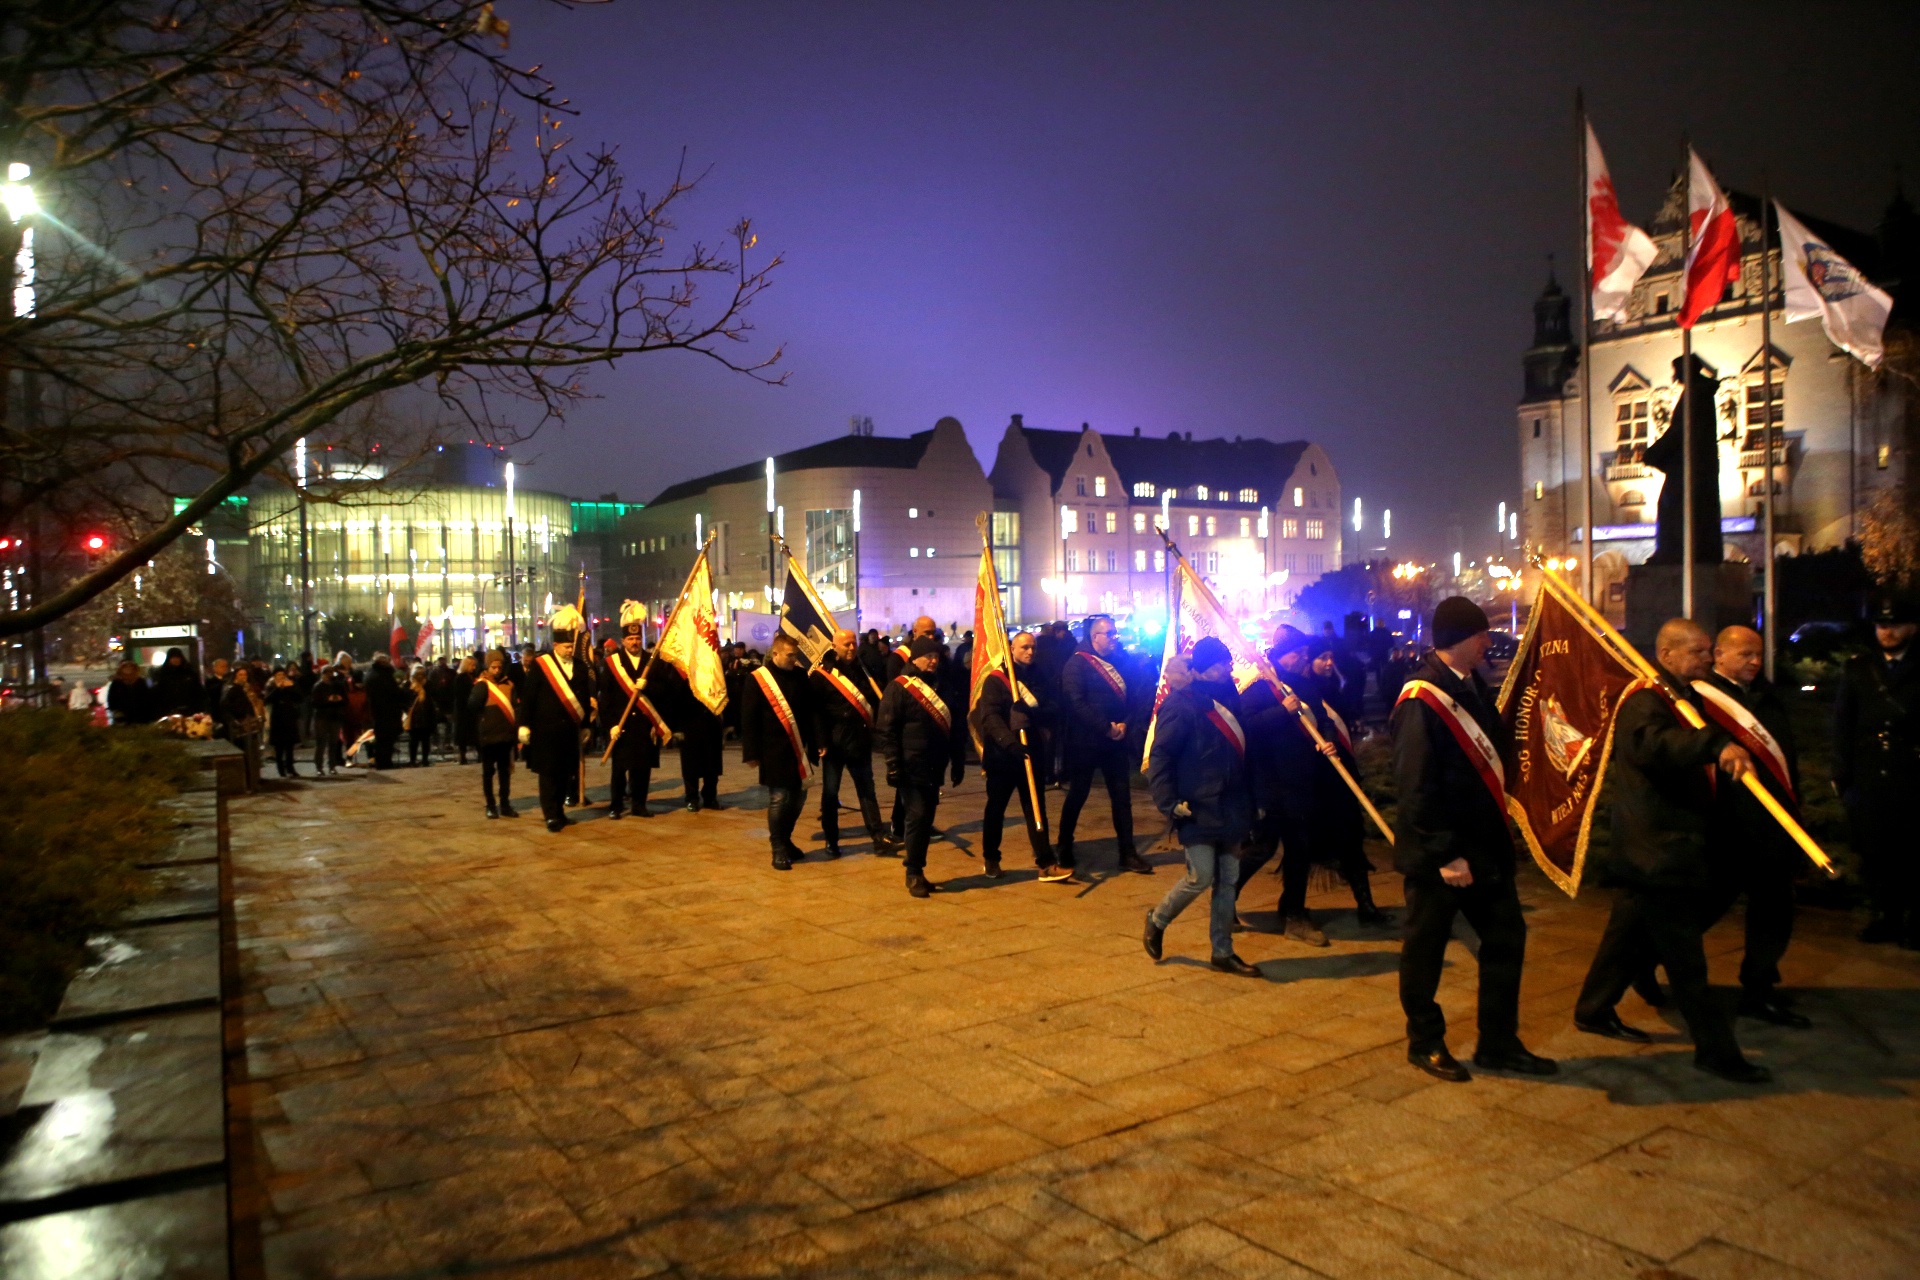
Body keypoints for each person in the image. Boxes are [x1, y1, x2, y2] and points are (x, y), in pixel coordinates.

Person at [1572, 617, 1769, 1085]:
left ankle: (1593, 1009)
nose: (1706, 658)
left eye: (1708, 650)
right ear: (1667, 655)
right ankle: (1716, 1051)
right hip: (1657, 848)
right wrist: (1714, 744)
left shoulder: (1686, 696)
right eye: (1697, 651)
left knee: (1625, 937)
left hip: (1666, 844)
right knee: (1687, 961)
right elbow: (1654, 746)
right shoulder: (1645, 699)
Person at [1392, 596, 1555, 1083]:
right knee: (1425, 950)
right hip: (1441, 856)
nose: (1488, 642)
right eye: (1482, 635)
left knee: (1506, 938)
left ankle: (1498, 1042)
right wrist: (1446, 853)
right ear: (1460, 638)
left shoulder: (1471, 684)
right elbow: (1415, 785)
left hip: (1484, 847)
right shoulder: (1422, 698)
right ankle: (1425, 1041)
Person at [1692, 625, 1810, 1026]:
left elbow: (1785, 758)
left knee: (1774, 909)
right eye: (1745, 655)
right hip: (1726, 825)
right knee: (1704, 907)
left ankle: (1759, 988)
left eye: (1759, 654)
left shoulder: (1767, 695)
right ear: (1719, 654)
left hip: (1772, 824)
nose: (1755, 662)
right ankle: (1643, 961)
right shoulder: (1700, 698)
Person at [1140, 637, 1260, 974]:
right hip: (1196, 804)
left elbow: (1247, 753)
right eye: (1220, 664)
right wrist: (1168, 802)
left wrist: (1256, 800)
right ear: (1203, 668)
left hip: (1232, 803)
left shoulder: (1233, 700)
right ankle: (1158, 919)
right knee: (1200, 876)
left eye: (1227, 664)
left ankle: (1222, 951)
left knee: (1228, 879)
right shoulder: (1181, 704)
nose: (1226, 670)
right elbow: (1161, 756)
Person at [1238, 625, 1337, 944]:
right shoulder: (1259, 688)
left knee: (1299, 849)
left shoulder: (1306, 686)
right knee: (1262, 849)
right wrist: (1282, 711)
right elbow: (1247, 727)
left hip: (1301, 781)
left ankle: (1294, 913)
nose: (1304, 658)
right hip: (1270, 782)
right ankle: (1224, 896)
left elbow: (1323, 720)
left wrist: (1327, 740)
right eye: (1298, 653)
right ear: (1282, 656)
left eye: (1305, 653)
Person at [1833, 595, 1920, 948]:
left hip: (1911, 772)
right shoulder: (1860, 668)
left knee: (1913, 850)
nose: (1888, 632)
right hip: (1870, 772)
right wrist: (1842, 773)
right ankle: (1886, 916)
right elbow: (1843, 723)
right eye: (1882, 625)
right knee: (1875, 850)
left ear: (1913, 627)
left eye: (1895, 624)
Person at [970, 630, 1067, 881]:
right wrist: (1009, 742)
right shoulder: (996, 680)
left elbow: (1053, 707)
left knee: (1035, 807)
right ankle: (991, 858)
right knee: (996, 809)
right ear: (1011, 649)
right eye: (1024, 647)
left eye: (1033, 647)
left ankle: (1045, 862)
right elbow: (990, 717)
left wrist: (1033, 712)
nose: (1030, 652)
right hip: (1003, 755)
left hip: (1031, 752)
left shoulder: (1040, 676)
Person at [1056, 615, 1150, 875]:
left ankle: (1127, 852)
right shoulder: (1077, 663)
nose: (1113, 638)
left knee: (1122, 798)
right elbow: (1075, 702)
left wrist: (1126, 723)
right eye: (1108, 634)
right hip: (1086, 742)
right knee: (1077, 794)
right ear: (1094, 636)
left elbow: (1133, 697)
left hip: (1115, 741)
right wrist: (1105, 727)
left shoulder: (1121, 661)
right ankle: (1064, 847)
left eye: (1114, 633)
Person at [879, 636, 952, 898]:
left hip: (934, 765)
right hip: (911, 766)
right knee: (917, 817)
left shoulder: (939, 686)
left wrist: (954, 763)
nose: (933, 661)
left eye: (936, 656)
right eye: (928, 656)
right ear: (915, 658)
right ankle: (913, 872)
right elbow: (887, 729)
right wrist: (893, 764)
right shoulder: (899, 687)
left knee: (926, 818)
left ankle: (918, 869)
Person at [813, 629, 892, 858]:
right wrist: (821, 740)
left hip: (859, 740)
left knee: (867, 791)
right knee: (830, 794)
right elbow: (815, 712)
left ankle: (878, 837)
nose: (851, 648)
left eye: (854, 643)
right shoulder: (822, 675)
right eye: (846, 644)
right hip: (834, 743)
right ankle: (831, 839)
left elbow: (871, 699)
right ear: (834, 646)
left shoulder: (863, 669)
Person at [741, 634, 818, 870]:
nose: (794, 660)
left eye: (796, 655)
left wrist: (817, 742)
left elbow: (810, 711)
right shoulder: (758, 679)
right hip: (772, 749)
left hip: (798, 747)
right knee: (779, 798)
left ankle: (786, 839)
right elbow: (749, 717)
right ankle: (777, 847)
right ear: (775, 654)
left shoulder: (800, 676)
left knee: (800, 795)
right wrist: (751, 752)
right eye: (790, 655)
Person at [522, 606, 595, 832]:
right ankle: (550, 815)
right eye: (566, 646)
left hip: (569, 732)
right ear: (555, 645)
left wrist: (585, 725)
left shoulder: (580, 667)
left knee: (565, 774)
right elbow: (529, 697)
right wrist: (523, 725)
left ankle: (560, 812)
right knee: (549, 776)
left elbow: (584, 698)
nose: (570, 649)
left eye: (572, 646)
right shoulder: (541, 665)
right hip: (546, 731)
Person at [599, 601, 663, 820]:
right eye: (630, 639)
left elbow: (663, 691)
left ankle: (639, 804)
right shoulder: (612, 663)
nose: (634, 642)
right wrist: (610, 725)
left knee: (642, 768)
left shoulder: (651, 661)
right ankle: (616, 805)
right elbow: (605, 699)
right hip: (622, 725)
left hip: (644, 725)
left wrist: (649, 686)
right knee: (619, 769)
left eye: (637, 638)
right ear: (623, 641)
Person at [469, 648, 523, 818]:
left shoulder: (509, 685)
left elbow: (516, 708)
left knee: (505, 772)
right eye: (493, 667)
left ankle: (505, 804)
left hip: (505, 735)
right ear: (487, 666)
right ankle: (490, 805)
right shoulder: (482, 685)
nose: (497, 670)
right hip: (488, 736)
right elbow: (472, 706)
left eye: (499, 667)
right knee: (488, 772)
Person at [365, 653, 404, 769]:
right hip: (386, 712)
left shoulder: (372, 674)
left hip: (378, 712)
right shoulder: (383, 675)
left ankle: (383, 762)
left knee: (382, 740)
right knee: (385, 740)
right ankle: (384, 762)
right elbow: (393, 692)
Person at [310, 663, 348, 774]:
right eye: (327, 673)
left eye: (331, 673)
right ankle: (319, 766)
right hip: (322, 717)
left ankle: (332, 766)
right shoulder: (318, 686)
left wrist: (339, 699)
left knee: (333, 743)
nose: (329, 676)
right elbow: (314, 703)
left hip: (335, 716)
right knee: (321, 743)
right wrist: (328, 700)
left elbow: (345, 700)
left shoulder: (337, 685)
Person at [267, 665, 304, 777]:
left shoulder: (290, 684)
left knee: (289, 745)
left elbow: (299, 698)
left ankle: (290, 768)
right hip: (277, 718)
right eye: (278, 675)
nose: (281, 677)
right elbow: (267, 700)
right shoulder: (270, 685)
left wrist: (291, 687)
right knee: (279, 746)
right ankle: (281, 769)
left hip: (289, 717)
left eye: (282, 674)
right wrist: (278, 688)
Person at [149, 647, 203, 717]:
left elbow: (197, 691)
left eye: (177, 657)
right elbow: (158, 693)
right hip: (168, 710)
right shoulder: (163, 673)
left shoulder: (189, 672)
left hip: (189, 710)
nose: (175, 660)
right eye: (173, 658)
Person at [405, 666, 438, 766]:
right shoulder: (410, 686)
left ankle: (421, 760)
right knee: (418, 740)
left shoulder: (427, 685)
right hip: (417, 717)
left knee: (422, 740)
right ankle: (417, 760)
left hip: (423, 717)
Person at [106, 661, 156, 725]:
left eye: (131, 667)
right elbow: (111, 699)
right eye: (125, 667)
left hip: (142, 716)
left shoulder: (143, 682)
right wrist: (116, 712)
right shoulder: (116, 683)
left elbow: (149, 697)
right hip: (122, 717)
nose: (128, 669)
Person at [452, 654, 479, 766]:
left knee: (475, 733)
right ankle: (463, 757)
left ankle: (479, 755)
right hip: (463, 710)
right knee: (463, 735)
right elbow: (459, 695)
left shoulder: (472, 676)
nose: (474, 667)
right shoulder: (461, 678)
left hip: (471, 710)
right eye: (472, 665)